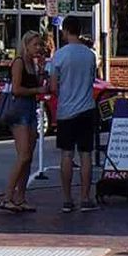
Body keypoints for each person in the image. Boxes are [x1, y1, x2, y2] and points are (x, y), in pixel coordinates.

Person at [48, 16, 98, 212]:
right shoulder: (90, 55)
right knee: (86, 155)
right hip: (86, 108)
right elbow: (93, 78)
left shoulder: (59, 55)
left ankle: (67, 199)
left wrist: (62, 92)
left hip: (66, 111)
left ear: (66, 30)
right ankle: (85, 197)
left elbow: (53, 86)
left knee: (67, 154)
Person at [0, 31, 45, 213]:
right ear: (26, 45)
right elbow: (17, 89)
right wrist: (36, 89)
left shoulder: (33, 64)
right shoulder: (18, 62)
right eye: (35, 45)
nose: (38, 49)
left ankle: (21, 197)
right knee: (23, 155)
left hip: (31, 109)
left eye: (40, 45)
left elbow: (39, 84)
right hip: (19, 110)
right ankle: (7, 197)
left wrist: (41, 71)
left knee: (29, 157)